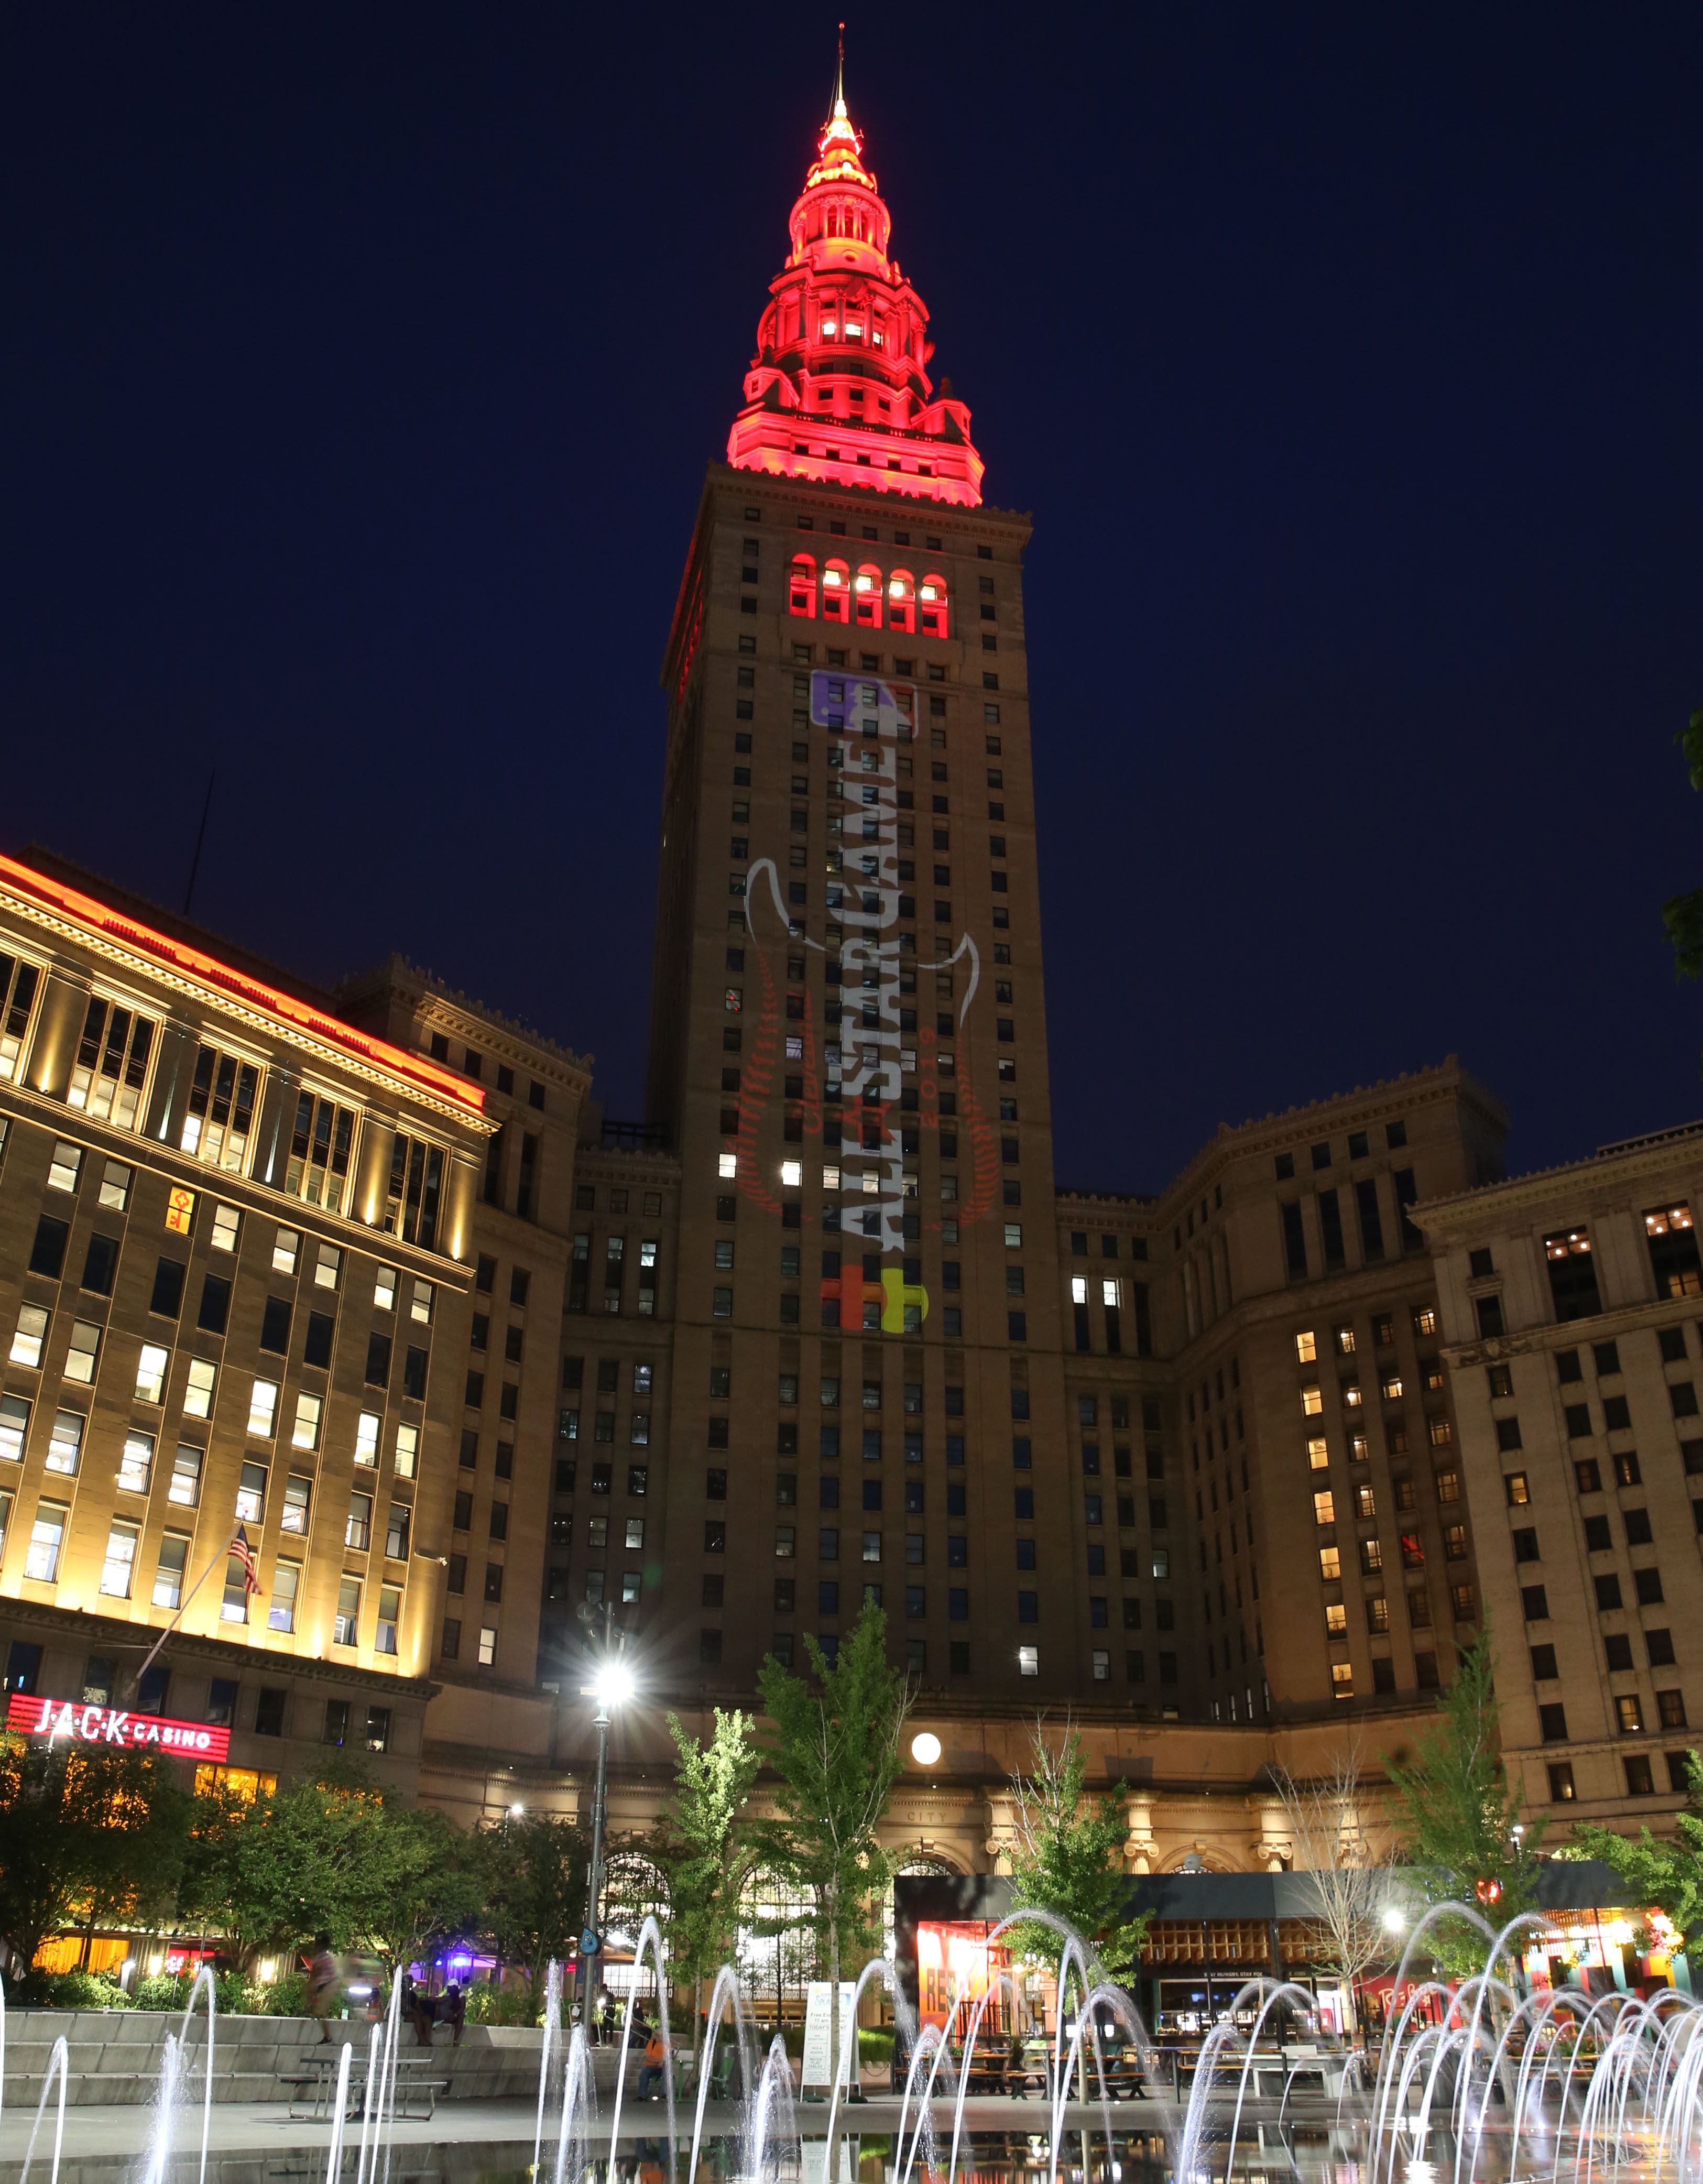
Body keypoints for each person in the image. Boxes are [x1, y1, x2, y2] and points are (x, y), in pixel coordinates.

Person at [307, 1935, 338, 2043]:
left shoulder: (321, 1958)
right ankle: (327, 2036)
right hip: (326, 1984)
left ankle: (328, 2037)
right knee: (319, 2010)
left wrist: (311, 1993)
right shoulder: (322, 1957)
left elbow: (314, 1977)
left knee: (321, 2010)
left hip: (329, 1983)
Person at [636, 2022, 667, 2101]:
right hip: (652, 2066)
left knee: (666, 2072)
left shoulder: (667, 2044)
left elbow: (669, 2055)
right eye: (655, 2035)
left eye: (657, 2035)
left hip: (663, 2066)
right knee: (644, 2073)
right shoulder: (651, 2043)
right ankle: (643, 2096)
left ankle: (665, 2095)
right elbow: (648, 2057)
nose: (655, 2037)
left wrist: (663, 2061)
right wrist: (657, 2061)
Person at [439, 1981, 466, 2048]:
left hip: (456, 2015)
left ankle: (455, 2040)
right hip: (448, 2014)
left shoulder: (461, 1995)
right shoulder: (448, 1995)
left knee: (461, 2017)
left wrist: (455, 2015)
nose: (448, 1988)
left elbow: (463, 2007)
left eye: (450, 1987)